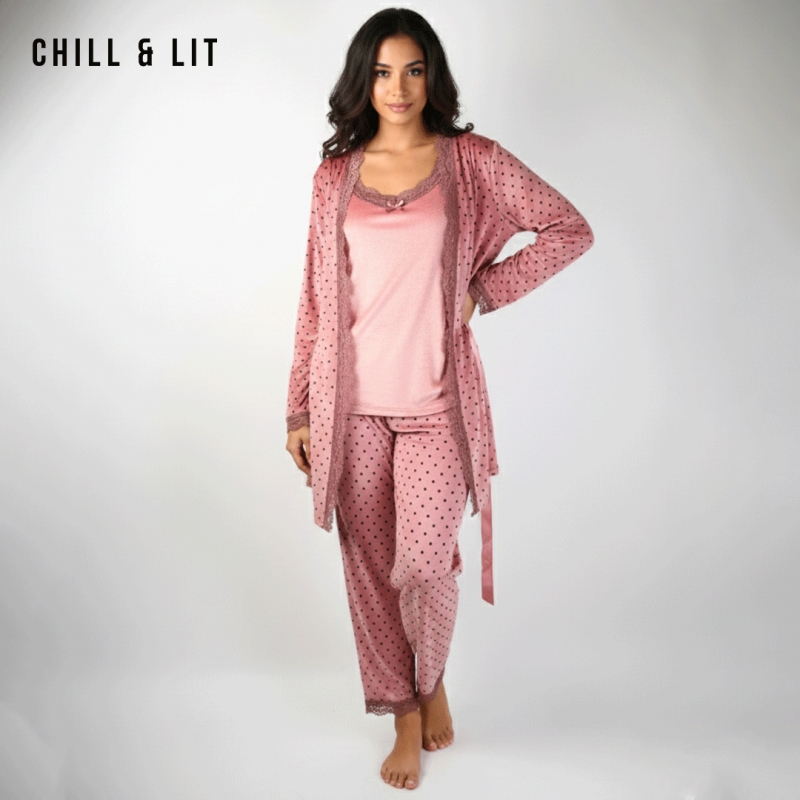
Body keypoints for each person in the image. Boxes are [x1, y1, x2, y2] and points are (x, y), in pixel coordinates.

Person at [285, 8, 593, 790]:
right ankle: (404, 712)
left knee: (423, 563)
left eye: (413, 70)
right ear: (363, 81)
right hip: (349, 408)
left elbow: (568, 228)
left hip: (436, 407)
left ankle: (431, 678)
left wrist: (483, 291)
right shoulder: (333, 179)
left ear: (433, 78)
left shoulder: (471, 161)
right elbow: (315, 302)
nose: (398, 88)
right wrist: (298, 410)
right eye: (383, 72)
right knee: (368, 567)